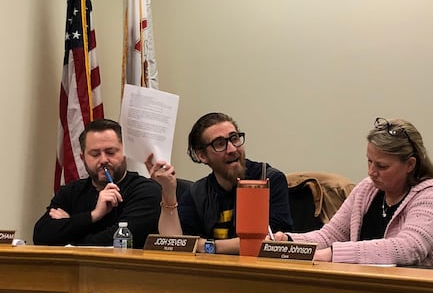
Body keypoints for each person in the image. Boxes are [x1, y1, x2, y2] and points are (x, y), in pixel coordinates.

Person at [273, 118, 433, 267]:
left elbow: (408, 248)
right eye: (369, 161)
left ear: (410, 164)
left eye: (382, 166)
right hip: (373, 290)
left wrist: (334, 254)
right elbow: (328, 236)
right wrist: (289, 241)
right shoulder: (367, 189)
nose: (371, 172)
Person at [146, 112, 292, 254]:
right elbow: (175, 244)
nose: (232, 149)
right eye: (220, 144)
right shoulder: (198, 192)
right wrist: (168, 191)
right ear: (202, 156)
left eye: (234, 138)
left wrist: (207, 246)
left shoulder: (267, 179)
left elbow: (270, 243)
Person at [33, 119, 160, 248]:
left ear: (124, 153)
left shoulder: (145, 190)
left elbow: (120, 241)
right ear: (83, 159)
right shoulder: (70, 192)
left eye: (110, 152)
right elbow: (41, 236)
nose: (103, 160)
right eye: (95, 154)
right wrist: (93, 215)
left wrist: (69, 228)